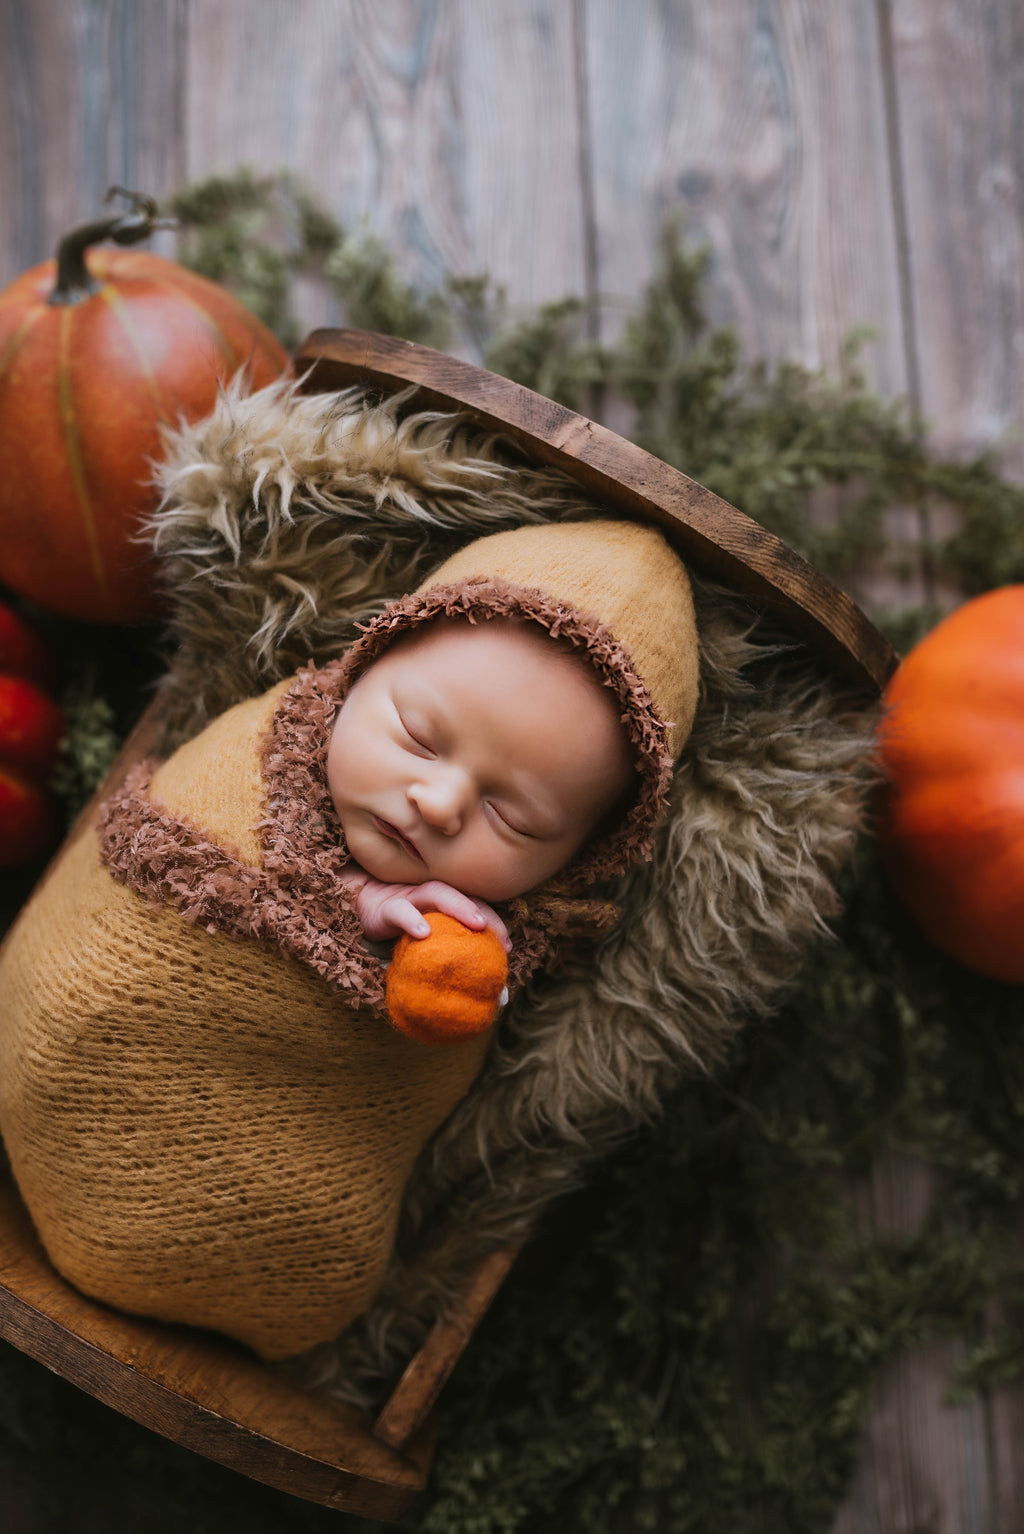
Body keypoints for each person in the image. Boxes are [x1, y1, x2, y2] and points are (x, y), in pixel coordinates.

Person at [0, 518, 700, 1360]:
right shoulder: (262, 751)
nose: (438, 803)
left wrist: (456, 983)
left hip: (285, 1195)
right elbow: (188, 856)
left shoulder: (497, 927)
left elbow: (420, 1073)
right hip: (81, 1045)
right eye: (418, 738)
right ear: (361, 668)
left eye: (513, 817)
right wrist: (355, 903)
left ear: (579, 861)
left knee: (323, 1236)